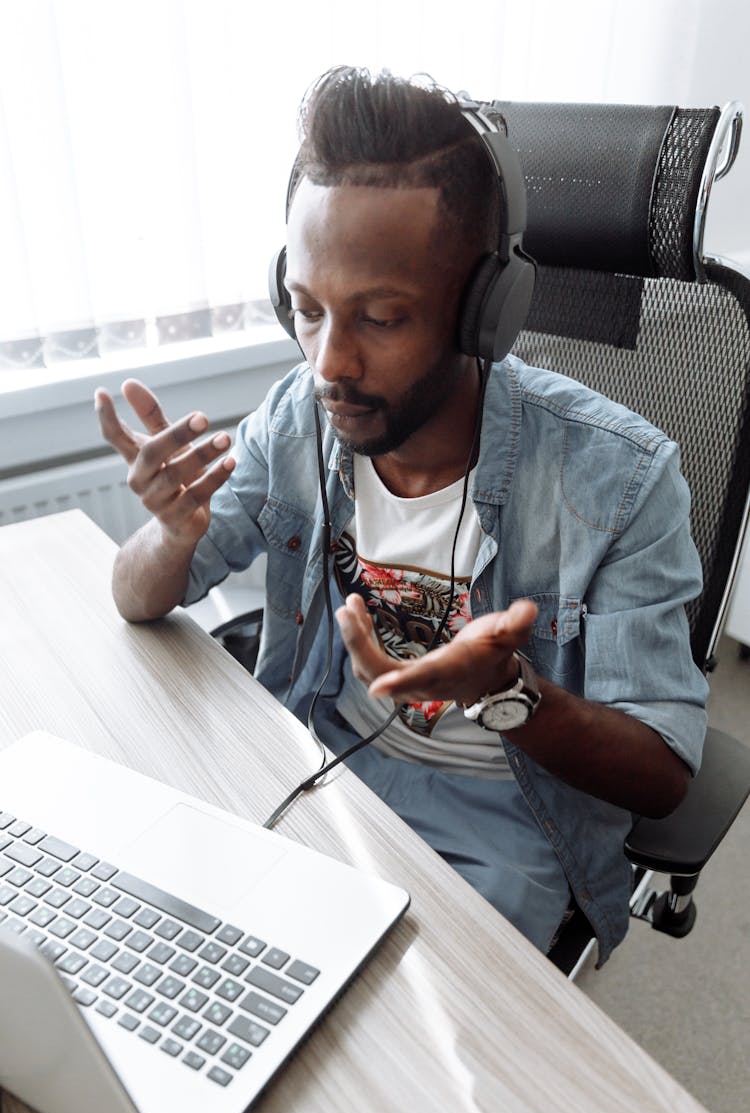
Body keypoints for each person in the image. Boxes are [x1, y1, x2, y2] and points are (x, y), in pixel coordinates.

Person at [96, 65, 708, 965]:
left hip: (501, 826)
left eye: (380, 317)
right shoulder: (295, 416)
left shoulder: (621, 476)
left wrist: (505, 694)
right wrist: (173, 533)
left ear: (482, 314)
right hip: (315, 770)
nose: (328, 362)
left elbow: (660, 773)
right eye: (306, 310)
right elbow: (136, 595)